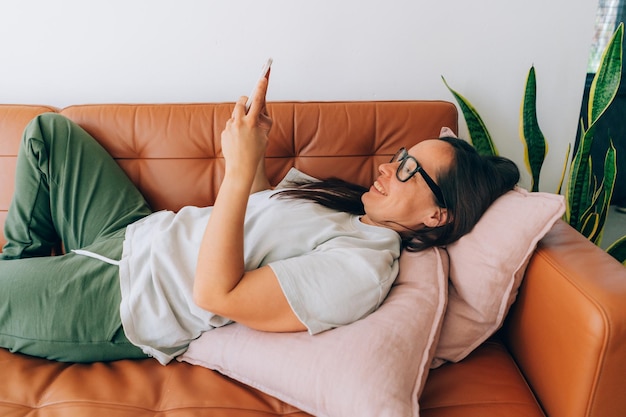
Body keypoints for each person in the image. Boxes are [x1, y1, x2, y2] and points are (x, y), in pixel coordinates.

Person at [0, 77, 520, 365]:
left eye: (408, 169)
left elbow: (216, 294)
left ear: (437, 214)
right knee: (50, 133)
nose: (388, 165)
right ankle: (19, 272)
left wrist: (239, 167)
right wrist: (255, 152)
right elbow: (257, 213)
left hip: (126, 295)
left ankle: (24, 288)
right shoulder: (349, 208)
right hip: (139, 231)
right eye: (401, 153)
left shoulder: (362, 269)